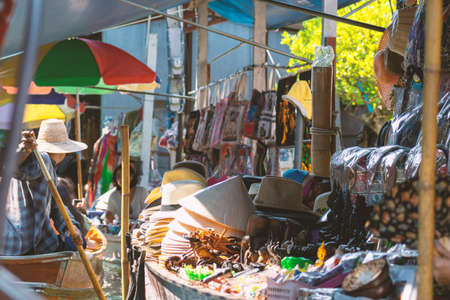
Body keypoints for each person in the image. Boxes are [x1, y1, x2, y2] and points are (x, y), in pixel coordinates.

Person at [0, 119, 86, 255]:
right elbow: (15, 168)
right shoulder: (42, 158)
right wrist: (24, 150)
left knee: (73, 243)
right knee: (76, 248)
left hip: (10, 244)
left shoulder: (47, 166)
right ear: (63, 152)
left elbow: (55, 205)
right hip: (24, 245)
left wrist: (71, 227)